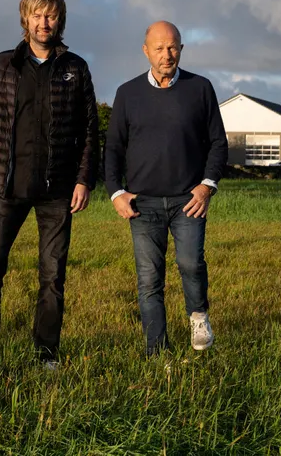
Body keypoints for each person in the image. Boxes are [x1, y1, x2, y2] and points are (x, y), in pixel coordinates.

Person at [0, 0, 99, 370]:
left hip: (57, 192)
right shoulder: (1, 66)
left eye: (52, 16)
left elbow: (89, 130)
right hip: (7, 189)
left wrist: (84, 179)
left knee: (53, 276)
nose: (44, 23)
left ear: (60, 20)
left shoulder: (76, 68)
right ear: (25, 18)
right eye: (37, 15)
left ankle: (46, 354)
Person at [104, 21, 228, 357]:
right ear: (146, 51)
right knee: (149, 281)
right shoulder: (127, 93)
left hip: (189, 200)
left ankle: (198, 316)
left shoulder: (199, 88)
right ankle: (157, 351)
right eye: (158, 48)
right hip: (142, 204)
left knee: (190, 263)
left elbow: (218, 143)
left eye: (172, 47)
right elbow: (113, 147)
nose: (166, 54)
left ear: (181, 49)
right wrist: (116, 192)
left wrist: (206, 188)